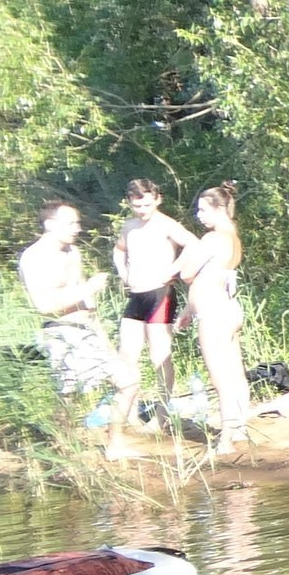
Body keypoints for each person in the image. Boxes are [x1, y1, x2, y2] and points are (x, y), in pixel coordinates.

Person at [17, 202, 122, 443]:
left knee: (124, 381)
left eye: (78, 223)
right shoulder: (33, 258)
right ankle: (62, 445)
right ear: (50, 225)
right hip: (60, 332)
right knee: (68, 393)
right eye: (71, 223)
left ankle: (114, 445)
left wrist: (104, 339)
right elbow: (44, 306)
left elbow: (86, 300)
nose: (77, 228)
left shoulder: (72, 252)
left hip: (86, 329)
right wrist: (89, 287)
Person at [111, 179, 197, 439]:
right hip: (136, 294)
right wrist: (123, 273)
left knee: (160, 356)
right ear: (129, 202)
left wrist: (172, 270)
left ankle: (162, 414)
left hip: (160, 293)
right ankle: (129, 411)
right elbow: (118, 250)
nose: (142, 209)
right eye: (137, 204)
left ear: (158, 199)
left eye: (147, 203)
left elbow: (193, 244)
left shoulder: (166, 224)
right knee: (126, 355)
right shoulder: (129, 226)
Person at [172, 182, 250, 455]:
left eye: (203, 209)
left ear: (219, 209)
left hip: (214, 312)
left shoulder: (213, 238)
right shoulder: (232, 236)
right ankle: (239, 427)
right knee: (235, 373)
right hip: (227, 308)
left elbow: (188, 273)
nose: (198, 215)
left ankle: (225, 439)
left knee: (221, 379)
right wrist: (187, 310)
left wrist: (182, 262)